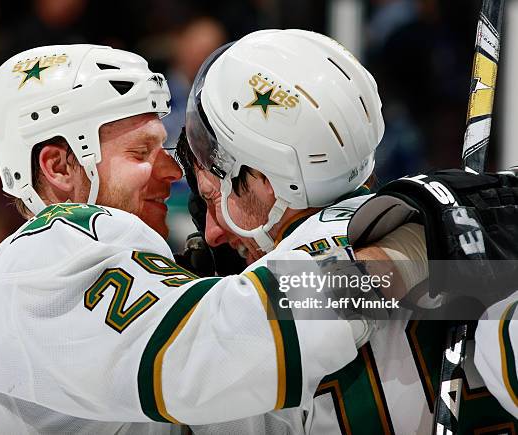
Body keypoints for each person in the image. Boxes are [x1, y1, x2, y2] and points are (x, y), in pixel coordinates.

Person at [0, 44, 369, 434]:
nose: (171, 173)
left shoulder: (29, 275)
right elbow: (230, 350)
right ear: (59, 166)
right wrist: (392, 269)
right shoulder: (55, 253)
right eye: (140, 153)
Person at [177, 29, 516, 433]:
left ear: (268, 183)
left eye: (216, 196)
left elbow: (237, 330)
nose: (213, 233)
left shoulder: (270, 295)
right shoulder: (478, 231)